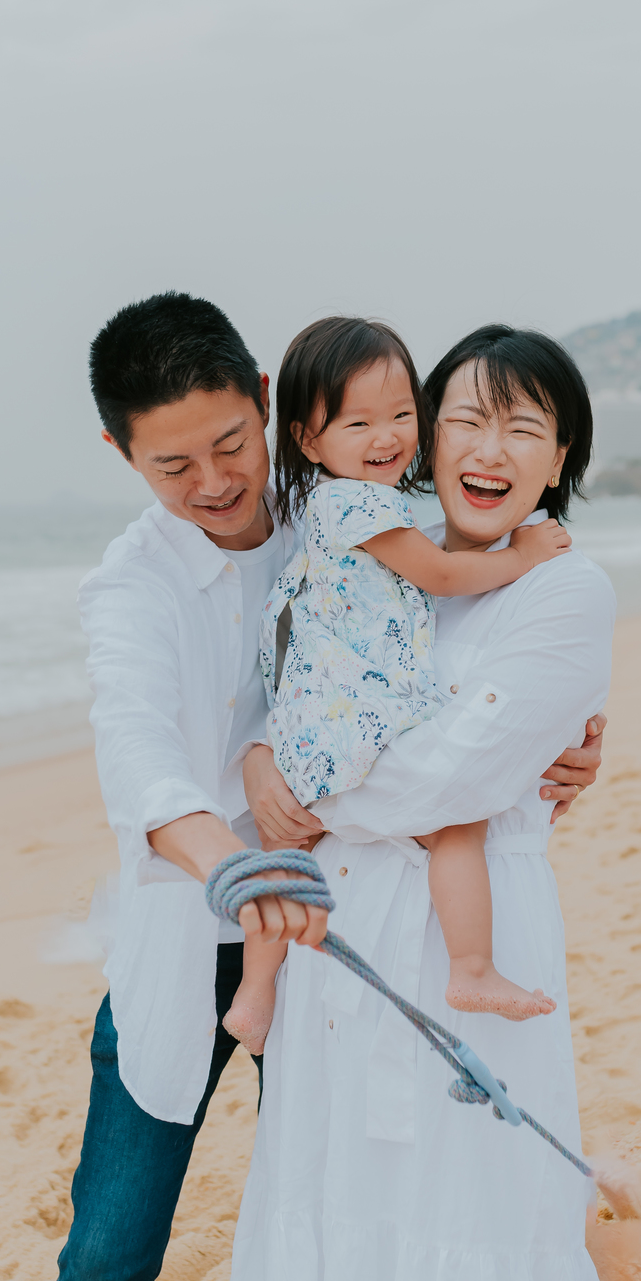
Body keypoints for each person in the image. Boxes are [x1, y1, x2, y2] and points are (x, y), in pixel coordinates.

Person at [10, 296, 605, 1281]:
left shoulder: (338, 507)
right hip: (204, 928)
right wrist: (241, 864)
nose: (217, 482)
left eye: (233, 443)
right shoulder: (131, 585)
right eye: (176, 464)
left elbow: (457, 653)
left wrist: (568, 744)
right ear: (124, 455)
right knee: (111, 1253)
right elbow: (144, 766)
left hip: (336, 934)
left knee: (342, 1207)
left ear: (269, 403)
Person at [210, 325, 628, 1281]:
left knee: (487, 1226)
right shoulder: (398, 554)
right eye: (465, 421)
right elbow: (278, 695)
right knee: (360, 1216)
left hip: (466, 937)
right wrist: (254, 760)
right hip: (346, 950)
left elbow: (458, 767)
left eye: (524, 429)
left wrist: (310, 784)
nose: (485, 450)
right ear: (424, 438)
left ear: (560, 462)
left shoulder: (564, 585)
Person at [222, 315, 570, 1056]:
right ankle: (472, 965)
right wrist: (524, 555)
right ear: (309, 440)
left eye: (402, 415)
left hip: (310, 727)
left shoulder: (322, 507)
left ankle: (255, 992)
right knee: (460, 821)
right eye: (358, 422)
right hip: (361, 719)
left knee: (292, 853)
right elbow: (442, 575)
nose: (387, 437)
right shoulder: (361, 504)